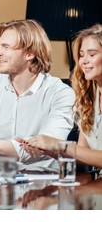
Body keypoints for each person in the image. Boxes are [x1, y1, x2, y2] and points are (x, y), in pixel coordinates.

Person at [0, 19, 75, 168]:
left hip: (42, 185)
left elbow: (43, 147)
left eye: (5, 47)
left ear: (29, 53)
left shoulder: (61, 93)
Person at [18, 24, 102, 169]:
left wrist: (59, 145)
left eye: (92, 54)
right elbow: (84, 155)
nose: (84, 61)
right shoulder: (89, 98)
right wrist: (48, 149)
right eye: (81, 55)